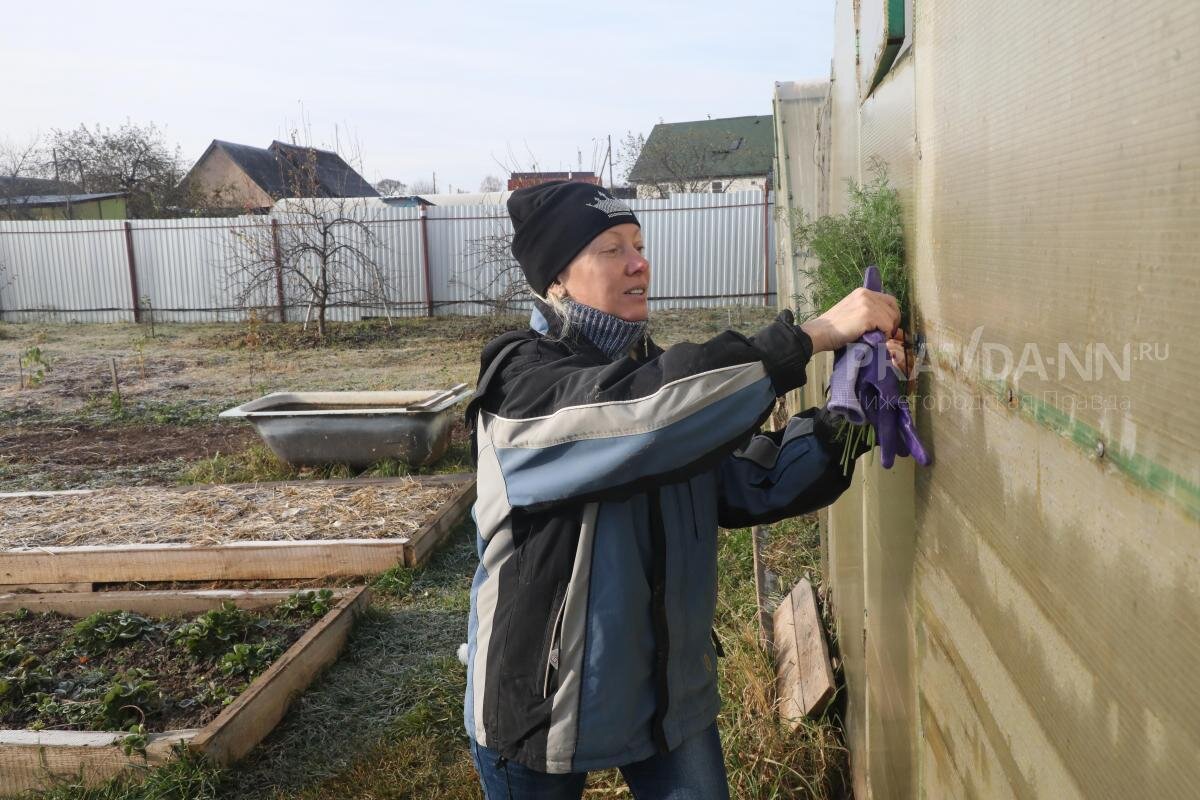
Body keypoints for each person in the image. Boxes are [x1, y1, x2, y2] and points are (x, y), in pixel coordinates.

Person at [464, 182, 906, 799]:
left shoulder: (659, 379)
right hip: (541, 704)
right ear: (557, 279)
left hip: (666, 696)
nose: (639, 262)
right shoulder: (523, 384)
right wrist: (811, 335)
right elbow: (641, 419)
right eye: (611, 248)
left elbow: (751, 480)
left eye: (639, 245)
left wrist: (846, 414)